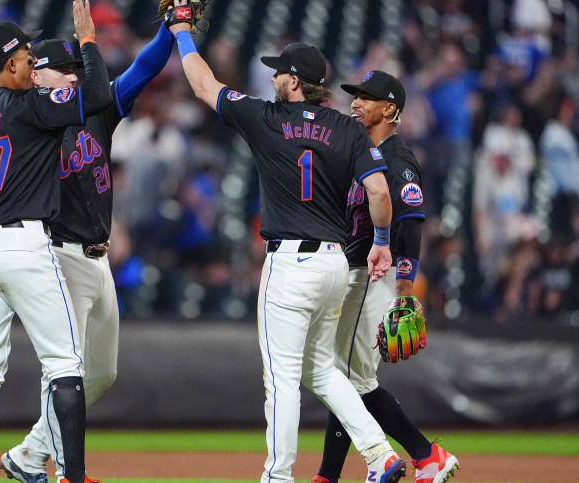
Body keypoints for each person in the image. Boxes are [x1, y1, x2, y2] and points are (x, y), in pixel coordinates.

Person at [166, 7, 405, 483]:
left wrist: (181, 33)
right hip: (336, 264)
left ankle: (277, 477)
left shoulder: (267, 118)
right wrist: (381, 242)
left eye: (279, 72)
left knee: (281, 380)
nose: (273, 77)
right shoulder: (349, 128)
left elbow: (202, 85)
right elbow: (379, 191)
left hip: (291, 264)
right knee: (322, 370)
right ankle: (381, 456)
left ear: (294, 82)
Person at [0, 1, 111, 482]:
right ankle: (73, 476)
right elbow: (94, 93)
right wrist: (88, 37)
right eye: (28, 57)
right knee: (64, 361)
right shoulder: (31, 105)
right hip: (23, 241)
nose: (34, 64)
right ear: (9, 64)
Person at [0, 22, 175, 483]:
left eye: (77, 68)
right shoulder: (28, 120)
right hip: (56, 254)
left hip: (99, 257)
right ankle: (62, 473)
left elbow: (143, 69)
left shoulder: (95, 110)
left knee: (103, 374)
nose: (74, 76)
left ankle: (29, 453)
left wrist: (170, 30)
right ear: (36, 75)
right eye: (62, 69)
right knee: (63, 368)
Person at [311, 71, 460, 483]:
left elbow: (411, 227)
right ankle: (416, 457)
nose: (355, 104)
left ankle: (425, 453)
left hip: (374, 276)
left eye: (366, 98)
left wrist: (406, 291)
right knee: (344, 378)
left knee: (349, 379)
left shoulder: (397, 161)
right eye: (355, 97)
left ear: (390, 108)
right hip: (357, 272)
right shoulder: (364, 154)